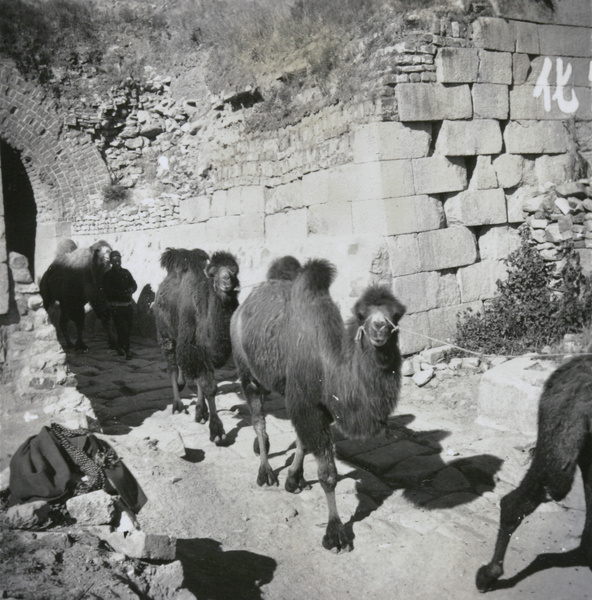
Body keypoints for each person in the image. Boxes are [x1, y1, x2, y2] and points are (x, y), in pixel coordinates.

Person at [102, 250, 137, 360]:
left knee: (129, 327)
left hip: (127, 306)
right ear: (111, 262)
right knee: (122, 329)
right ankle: (127, 350)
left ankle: (119, 346)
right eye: (114, 260)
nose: (117, 262)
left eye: (119, 259)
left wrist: (132, 289)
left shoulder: (126, 272)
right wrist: (121, 293)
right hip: (116, 307)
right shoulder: (108, 275)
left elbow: (133, 284)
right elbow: (107, 290)